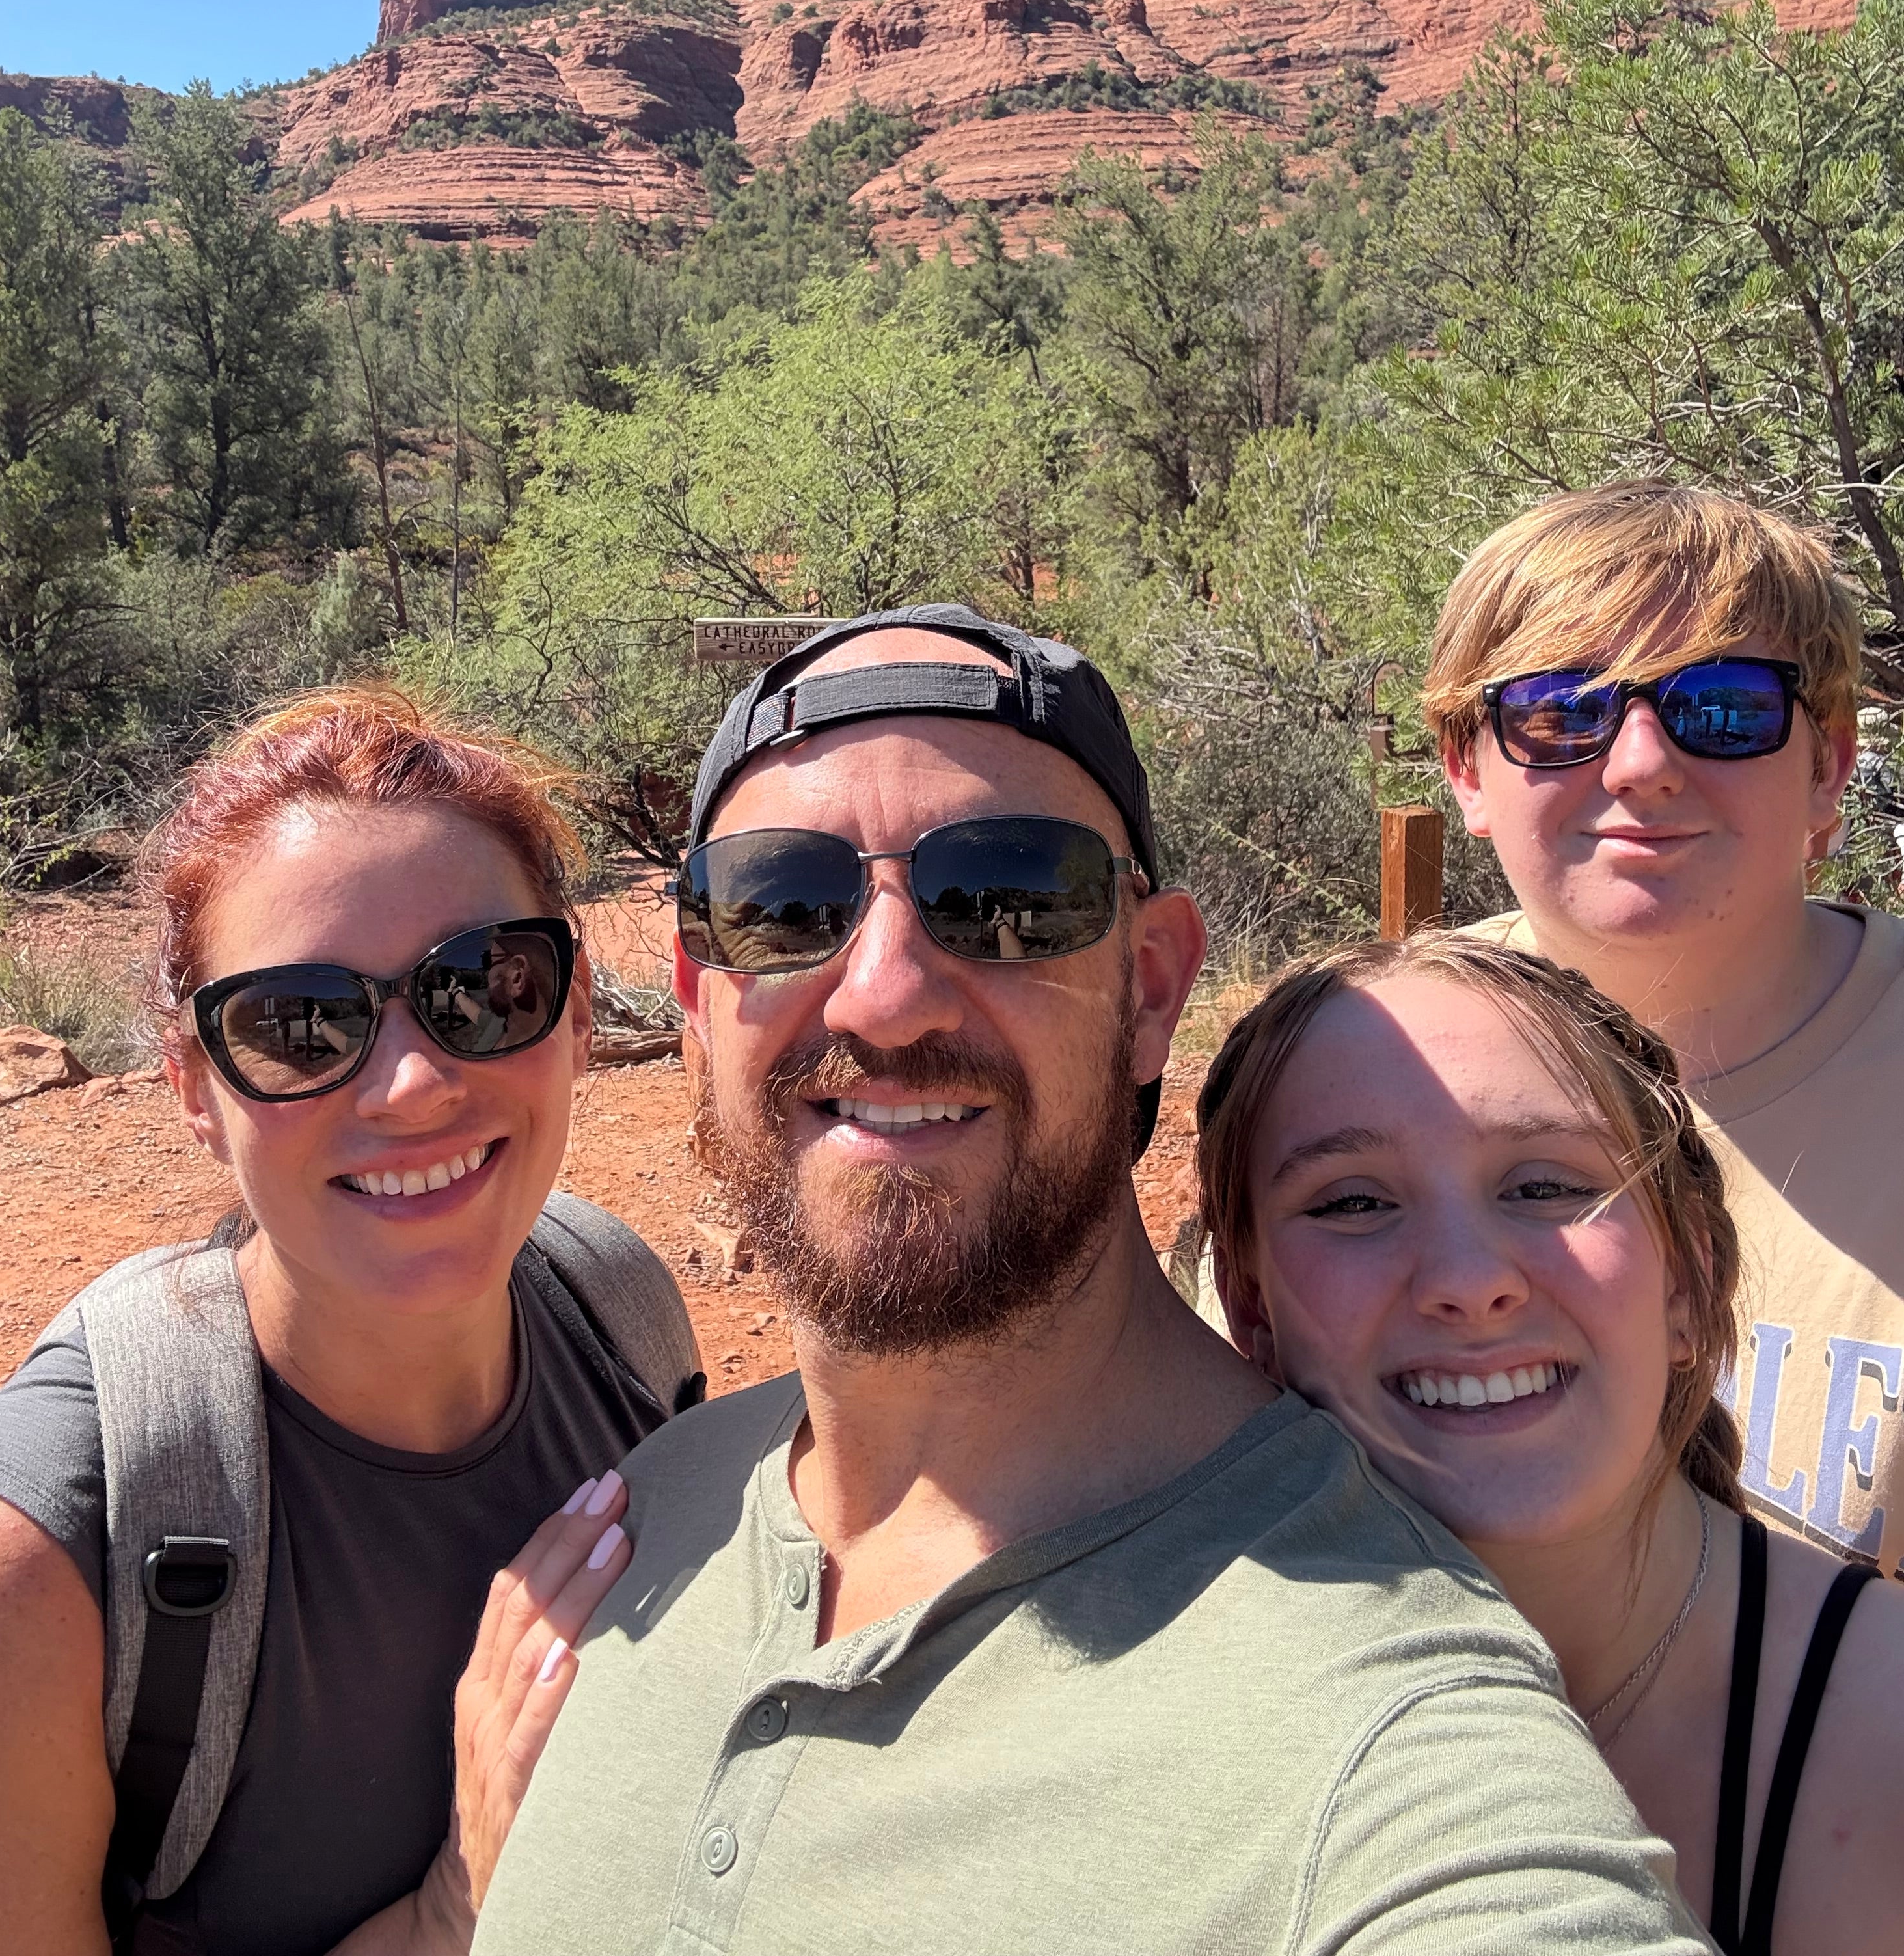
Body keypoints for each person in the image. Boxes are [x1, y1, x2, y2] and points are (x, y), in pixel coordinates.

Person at [476, 604, 1709, 1954]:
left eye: (1009, 896)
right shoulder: (646, 1523)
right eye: (783, 905)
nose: (884, 996)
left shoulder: (1386, 1732)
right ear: (702, 993)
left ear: (1156, 986)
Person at [0, 686, 700, 1956]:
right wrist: (458, 1904)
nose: (409, 1086)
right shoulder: (23, 1571)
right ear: (193, 1087)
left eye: (486, 987)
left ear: (573, 1015)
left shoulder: (623, 1317)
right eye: (302, 1026)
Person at [1197, 930, 1904, 1953]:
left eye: (1546, 1186)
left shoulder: (1880, 1736)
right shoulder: (1176, 1711)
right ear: (1251, 1310)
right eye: (1353, 1201)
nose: (1468, 1277)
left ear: (1687, 1277)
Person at [1423, 482, 1904, 1575]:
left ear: (1828, 764)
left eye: (1725, 705)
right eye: (1560, 710)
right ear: (1467, 770)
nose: (1641, 762)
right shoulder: (1363, 1071)